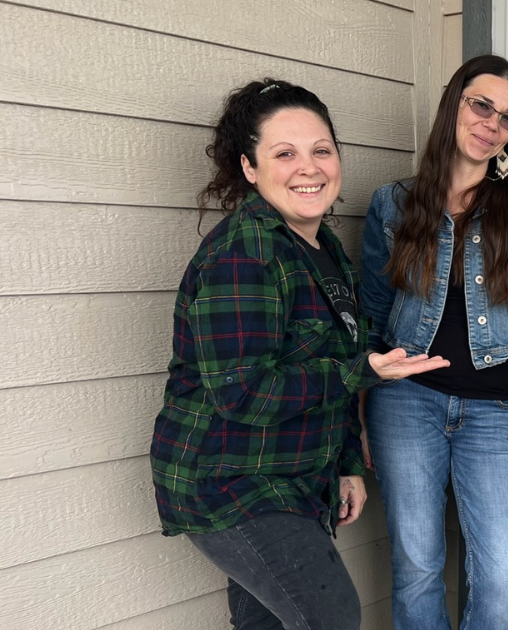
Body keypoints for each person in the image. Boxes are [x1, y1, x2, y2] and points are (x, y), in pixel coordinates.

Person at [150, 79, 448, 630]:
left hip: (293, 477)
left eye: (321, 150)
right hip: (231, 481)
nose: (308, 168)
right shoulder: (246, 254)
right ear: (249, 167)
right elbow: (243, 392)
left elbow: (337, 361)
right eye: (284, 153)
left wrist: (347, 465)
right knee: (332, 616)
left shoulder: (322, 246)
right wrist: (362, 372)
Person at [359, 55, 508, 630]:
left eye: (507, 118)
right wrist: (361, 415)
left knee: (502, 583)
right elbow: (371, 318)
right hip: (404, 404)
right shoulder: (393, 204)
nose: (492, 124)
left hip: (494, 414)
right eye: (481, 105)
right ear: (454, 103)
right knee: (417, 569)